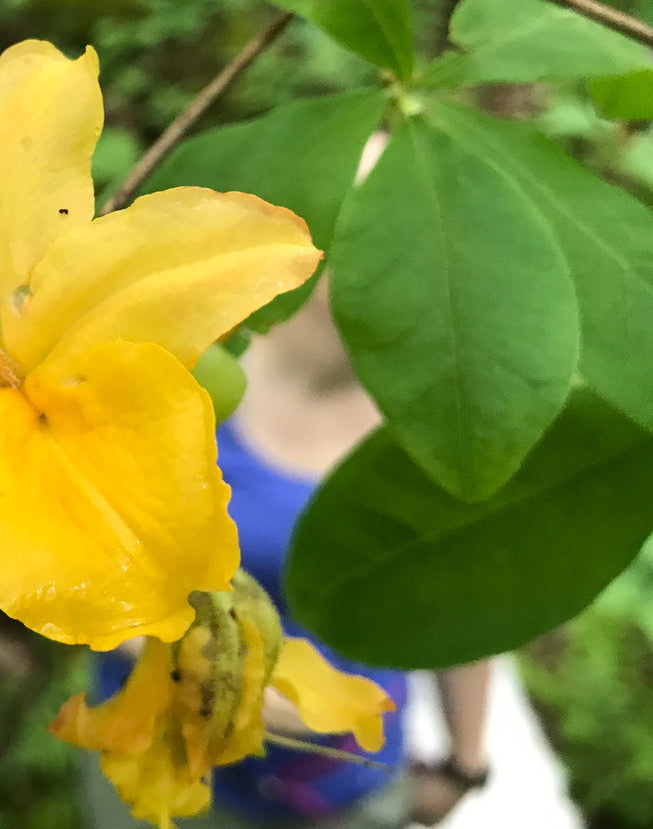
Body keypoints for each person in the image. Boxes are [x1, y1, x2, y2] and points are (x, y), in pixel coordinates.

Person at [81, 281, 491, 829]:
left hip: (335, 791)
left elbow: (464, 610)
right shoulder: (178, 360)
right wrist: (205, 668)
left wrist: (465, 764)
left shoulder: (441, 434)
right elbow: (72, 561)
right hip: (156, 753)